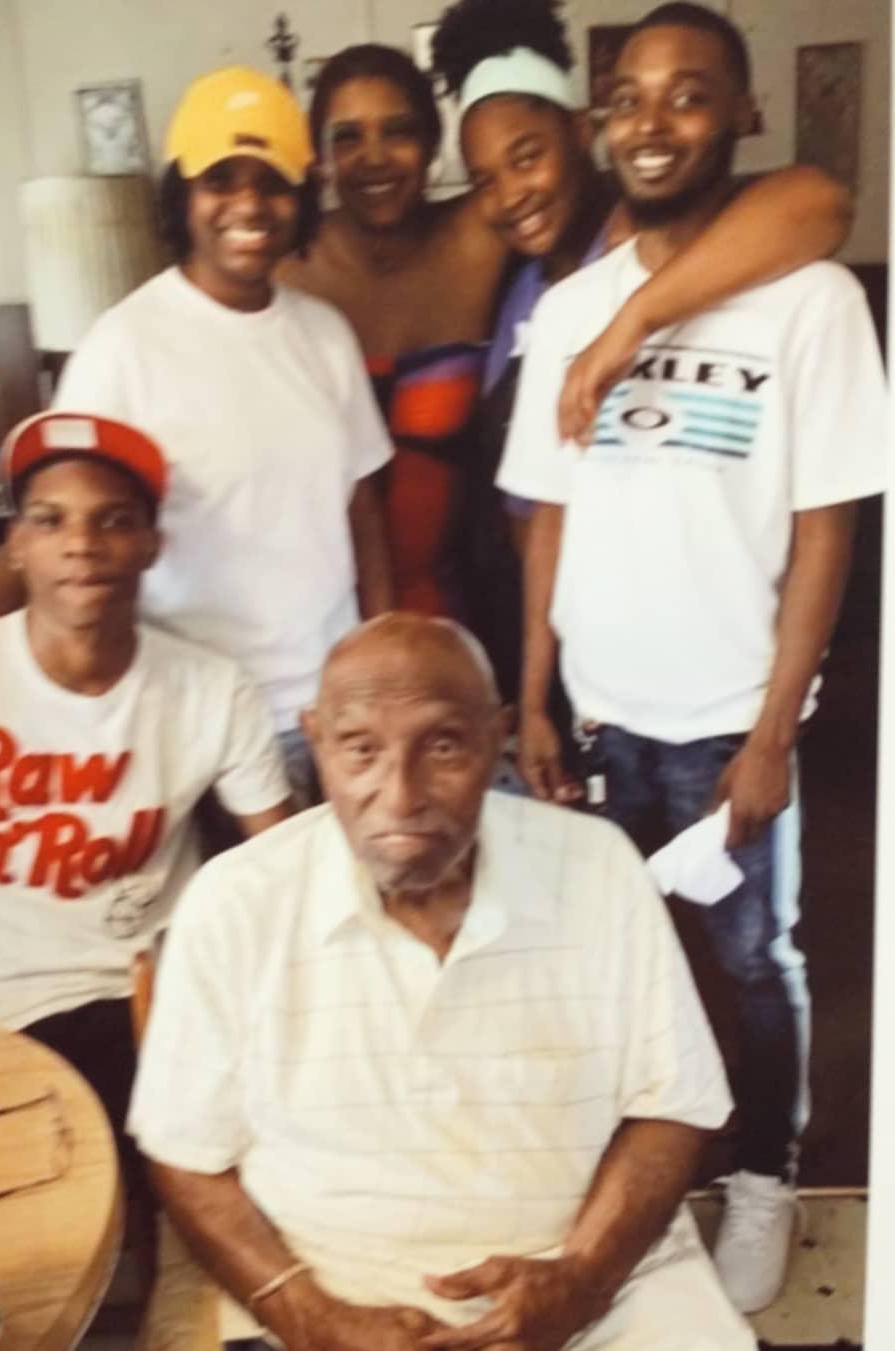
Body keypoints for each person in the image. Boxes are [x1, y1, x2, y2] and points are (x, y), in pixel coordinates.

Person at [496, 2, 887, 1314]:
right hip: (603, 720)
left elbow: (827, 529)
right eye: (630, 98)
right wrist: (535, 695)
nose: (653, 123)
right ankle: (642, 1191)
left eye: (689, 93)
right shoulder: (570, 309)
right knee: (618, 960)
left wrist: (775, 732)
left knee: (755, 964)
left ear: (744, 113)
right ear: (602, 123)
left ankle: (766, 1175)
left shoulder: (814, 301)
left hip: (730, 723)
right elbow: (546, 520)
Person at [128, 613, 754, 1351]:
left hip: (595, 1290)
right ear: (316, 741)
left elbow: (675, 1105)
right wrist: (310, 1316)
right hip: (330, 1294)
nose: (400, 796)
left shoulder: (599, 868)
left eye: (444, 746)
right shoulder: (236, 900)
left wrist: (582, 1279)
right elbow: (182, 1151)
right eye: (361, 749)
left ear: (497, 740)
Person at [282, 28, 850, 630]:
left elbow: (819, 202)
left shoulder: (563, 234)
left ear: (429, 148)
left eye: (398, 131)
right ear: (320, 159)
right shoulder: (300, 266)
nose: (374, 156)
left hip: (590, 610)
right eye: (347, 137)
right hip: (362, 608)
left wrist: (635, 319)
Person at [0, 67, 394, 801]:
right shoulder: (123, 348)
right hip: (196, 720)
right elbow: (53, 529)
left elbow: (362, 509)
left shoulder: (325, 336)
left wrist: (381, 660)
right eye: (220, 180)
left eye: (272, 182)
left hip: (331, 709)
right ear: (182, 196)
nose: (249, 204)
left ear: (302, 198)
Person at [427, 0, 855, 701]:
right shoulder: (521, 279)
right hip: (557, 640)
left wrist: (634, 320)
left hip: (680, 663)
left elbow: (820, 201)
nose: (510, 195)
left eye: (528, 157)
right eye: (484, 178)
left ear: (582, 131)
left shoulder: (670, 239)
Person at [0, 409, 292, 1210]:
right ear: (16, 546)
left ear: (151, 545)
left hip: (164, 1002)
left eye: (113, 521)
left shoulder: (211, 688)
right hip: (10, 1014)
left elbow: (279, 868)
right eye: (50, 520)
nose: (82, 544)